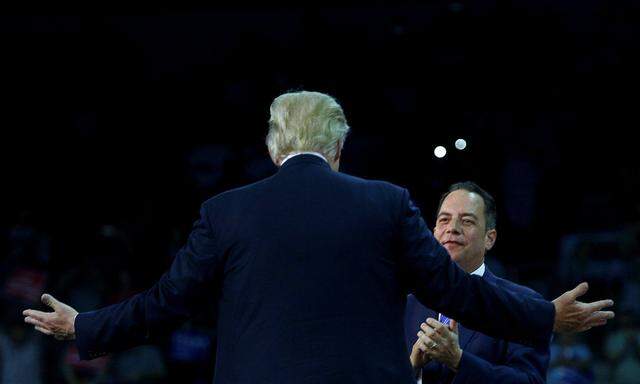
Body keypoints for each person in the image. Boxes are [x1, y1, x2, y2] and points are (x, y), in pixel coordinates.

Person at [23, 91, 613, 384]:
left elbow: (164, 305)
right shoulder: (384, 203)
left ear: (273, 147)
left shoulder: (226, 212)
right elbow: (455, 292)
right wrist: (541, 316)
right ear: (337, 148)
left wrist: (84, 327)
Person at [406, 181, 550, 383]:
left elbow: (530, 381)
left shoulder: (524, 303)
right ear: (433, 234)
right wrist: (411, 368)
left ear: (489, 239)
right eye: (444, 220)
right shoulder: (405, 306)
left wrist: (459, 360)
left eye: (466, 221)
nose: (452, 229)